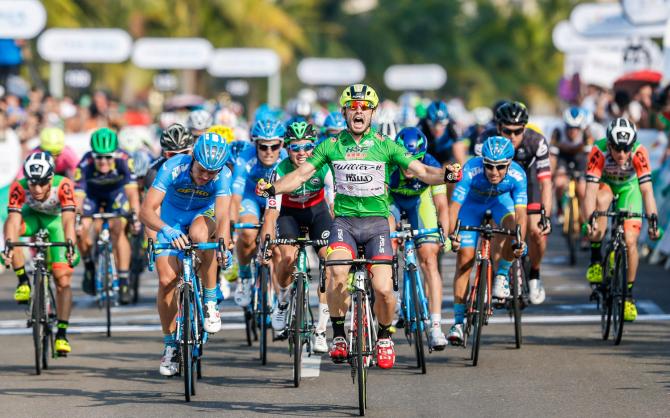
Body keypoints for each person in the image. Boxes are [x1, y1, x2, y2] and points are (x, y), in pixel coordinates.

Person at [256, 84, 456, 369]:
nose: (358, 112)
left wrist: (446, 174)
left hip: (376, 225)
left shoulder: (385, 145)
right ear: (345, 112)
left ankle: (385, 336)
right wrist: (272, 189)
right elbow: (300, 176)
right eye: (352, 107)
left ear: (372, 112)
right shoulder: (331, 146)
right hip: (345, 224)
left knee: (384, 289)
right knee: (336, 271)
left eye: (364, 107)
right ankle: (338, 333)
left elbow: (422, 171)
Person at [140, 132, 233, 376]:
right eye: (202, 170)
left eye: (212, 173)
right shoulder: (173, 167)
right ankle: (170, 345)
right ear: (193, 158)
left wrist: (223, 243)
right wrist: (167, 230)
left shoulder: (223, 175)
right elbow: (147, 212)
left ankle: (210, 300)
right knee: (166, 281)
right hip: (170, 222)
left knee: (203, 237)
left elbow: (223, 216)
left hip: (203, 216)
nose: (205, 177)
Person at [259, 121, 334, 353]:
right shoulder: (279, 171)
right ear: (287, 149)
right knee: (287, 257)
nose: (302, 153)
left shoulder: (324, 167)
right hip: (289, 215)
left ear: (315, 147)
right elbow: (271, 213)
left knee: (330, 260)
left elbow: (333, 206)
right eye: (295, 148)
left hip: (317, 212)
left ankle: (321, 330)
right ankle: (282, 300)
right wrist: (267, 243)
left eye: (307, 147)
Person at [446, 136, 528, 345]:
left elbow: (521, 214)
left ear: (509, 164)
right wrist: (452, 235)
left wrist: (520, 241)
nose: (494, 172)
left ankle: (501, 275)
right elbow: (454, 206)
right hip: (471, 207)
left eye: (500, 168)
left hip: (500, 202)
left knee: (513, 231)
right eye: (489, 166)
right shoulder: (470, 169)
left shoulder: (518, 175)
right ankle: (458, 322)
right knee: (465, 259)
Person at [583, 118, 660, 321]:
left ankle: (628, 297)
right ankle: (595, 260)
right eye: (617, 149)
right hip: (605, 184)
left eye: (627, 149)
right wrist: (588, 221)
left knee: (631, 241)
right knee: (601, 203)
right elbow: (590, 191)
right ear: (609, 144)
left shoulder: (639, 152)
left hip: (629, 188)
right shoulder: (598, 150)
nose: (623, 154)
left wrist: (653, 221)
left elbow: (647, 191)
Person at [476, 101, 551, 304]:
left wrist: (546, 215)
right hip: (497, 187)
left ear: (524, 128)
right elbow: (478, 175)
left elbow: (545, 183)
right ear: (498, 127)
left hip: (527, 184)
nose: (513, 136)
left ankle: (534, 274)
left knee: (536, 231)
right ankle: (497, 274)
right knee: (496, 227)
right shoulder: (485, 139)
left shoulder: (536, 142)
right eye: (507, 131)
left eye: (518, 131)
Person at [4, 153, 78, 354]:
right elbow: (12, 219)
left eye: (42, 183)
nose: (36, 189)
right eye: (32, 183)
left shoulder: (63, 185)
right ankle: (23, 281)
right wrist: (9, 246)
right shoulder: (18, 186)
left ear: (51, 177)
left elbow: (69, 220)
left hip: (56, 223)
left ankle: (61, 333)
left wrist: (70, 244)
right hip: (33, 217)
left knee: (62, 279)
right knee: (12, 229)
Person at [389, 127, 451, 351]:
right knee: (387, 238)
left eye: (415, 160)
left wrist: (443, 234)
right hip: (392, 201)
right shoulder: (388, 165)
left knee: (429, 259)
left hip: (419, 202)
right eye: (404, 160)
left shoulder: (432, 165)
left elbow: (442, 206)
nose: (409, 166)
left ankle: (435, 326)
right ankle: (392, 295)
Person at [74, 128, 141, 305]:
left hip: (115, 194)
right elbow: (78, 199)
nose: (103, 161)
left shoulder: (125, 160)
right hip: (92, 195)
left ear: (115, 154)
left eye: (108, 157)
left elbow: (133, 193)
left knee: (118, 227)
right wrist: (78, 219)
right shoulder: (84, 163)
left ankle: (124, 280)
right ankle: (89, 267)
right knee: (81, 229)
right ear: (93, 156)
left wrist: (135, 216)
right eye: (99, 157)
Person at [231, 118, 287, 307]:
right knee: (247, 233)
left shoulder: (287, 158)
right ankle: (245, 276)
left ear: (282, 144)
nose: (269, 152)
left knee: (278, 248)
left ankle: (282, 300)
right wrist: (231, 225)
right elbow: (236, 195)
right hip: (250, 198)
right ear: (255, 144)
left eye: (274, 146)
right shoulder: (245, 157)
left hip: (276, 199)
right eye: (263, 147)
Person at [550, 107, 594, 227]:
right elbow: (552, 157)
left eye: (576, 128)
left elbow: (590, 157)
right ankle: (559, 209)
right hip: (563, 157)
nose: (573, 131)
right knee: (559, 183)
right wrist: (552, 174)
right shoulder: (558, 132)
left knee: (582, 190)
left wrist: (588, 176)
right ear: (565, 125)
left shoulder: (586, 133)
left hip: (580, 158)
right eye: (570, 127)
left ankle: (584, 219)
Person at [143, 124, 195, 191]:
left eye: (184, 153)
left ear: (192, 150)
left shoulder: (201, 165)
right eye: (173, 154)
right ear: (164, 154)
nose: (179, 159)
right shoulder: (154, 171)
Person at [417, 100, 467, 165]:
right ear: (427, 121)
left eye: (442, 124)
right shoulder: (421, 125)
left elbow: (460, 157)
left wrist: (460, 169)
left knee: (457, 153)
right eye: (433, 124)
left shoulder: (452, 125)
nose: (437, 128)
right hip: (429, 153)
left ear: (447, 120)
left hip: (447, 155)